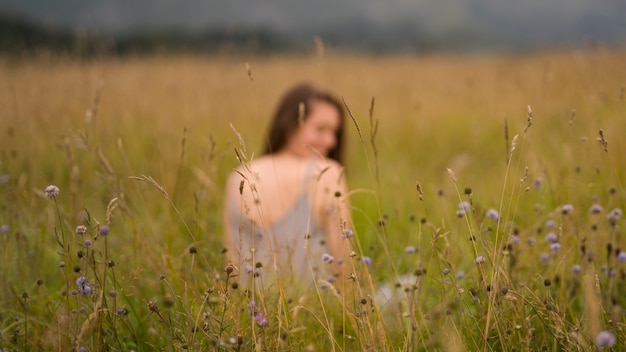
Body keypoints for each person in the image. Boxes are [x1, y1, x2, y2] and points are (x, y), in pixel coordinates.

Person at [223, 82, 354, 290]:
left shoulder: (239, 176)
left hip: (255, 310)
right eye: (321, 129)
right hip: (316, 308)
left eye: (334, 133)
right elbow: (343, 259)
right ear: (289, 125)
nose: (330, 141)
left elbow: (232, 262)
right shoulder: (328, 172)